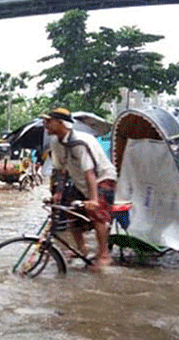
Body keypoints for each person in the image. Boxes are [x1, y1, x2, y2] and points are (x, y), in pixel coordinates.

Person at [42, 107, 117, 271]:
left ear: (61, 123)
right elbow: (61, 170)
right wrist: (58, 193)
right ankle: (82, 248)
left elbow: (89, 172)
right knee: (69, 211)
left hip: (102, 178)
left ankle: (104, 255)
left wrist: (94, 200)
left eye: (49, 121)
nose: (45, 124)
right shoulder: (56, 142)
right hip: (79, 180)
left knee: (98, 215)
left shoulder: (80, 142)